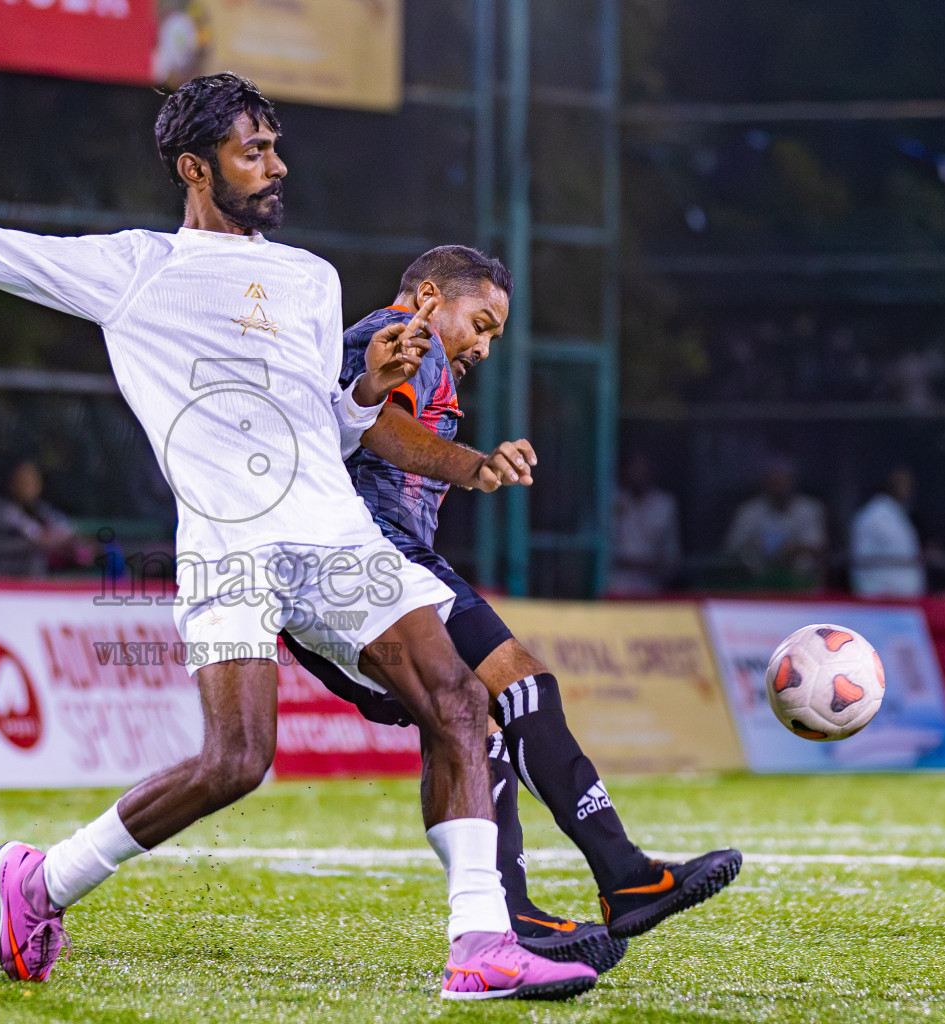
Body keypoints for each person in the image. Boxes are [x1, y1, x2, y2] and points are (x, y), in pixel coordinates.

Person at [0, 72, 599, 1001]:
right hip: (228, 549)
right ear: (195, 167)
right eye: (251, 151)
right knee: (237, 762)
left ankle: (479, 947)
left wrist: (365, 388)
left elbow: (327, 429)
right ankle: (43, 879)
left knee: (461, 704)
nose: (275, 166)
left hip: (336, 541)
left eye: (273, 147)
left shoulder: (312, 279)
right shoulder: (139, 269)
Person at [282, 246, 741, 974]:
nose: (486, 346)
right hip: (362, 560)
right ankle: (621, 877)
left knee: (474, 725)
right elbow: (373, 426)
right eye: (482, 323)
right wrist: (473, 463)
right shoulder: (406, 334)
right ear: (430, 297)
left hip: (360, 572)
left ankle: (516, 915)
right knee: (520, 687)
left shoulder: (420, 348)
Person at [723, 457, 827, 589]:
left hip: (799, 579)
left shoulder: (810, 508)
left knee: (805, 560)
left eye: (784, 481)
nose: (780, 488)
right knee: (747, 558)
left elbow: (817, 546)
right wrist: (755, 547)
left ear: (793, 482)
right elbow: (731, 548)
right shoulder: (749, 511)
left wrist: (792, 549)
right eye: (775, 482)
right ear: (765, 483)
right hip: (756, 579)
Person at [0, 460, 93, 575]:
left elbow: (67, 532)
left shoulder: (44, 510)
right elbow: (34, 538)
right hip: (11, 578)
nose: (27, 485)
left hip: (49, 578)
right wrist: (55, 539)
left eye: (32, 481)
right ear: (11, 483)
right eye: (21, 480)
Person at [606, 451, 681, 596]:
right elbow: (599, 549)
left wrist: (642, 564)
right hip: (615, 587)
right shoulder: (611, 499)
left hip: (650, 590)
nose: (638, 473)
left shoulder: (665, 504)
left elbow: (671, 559)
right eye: (634, 467)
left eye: (642, 468)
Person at [850, 467, 925, 598]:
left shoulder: (897, 513)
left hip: (903, 597)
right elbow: (862, 559)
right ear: (891, 485)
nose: (907, 489)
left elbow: (904, 552)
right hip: (881, 596)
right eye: (902, 483)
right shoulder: (872, 516)